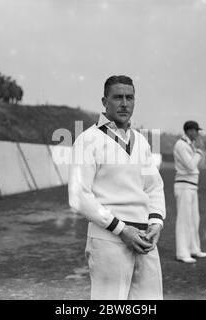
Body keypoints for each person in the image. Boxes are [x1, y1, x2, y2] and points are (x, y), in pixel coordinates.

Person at [68, 75, 166, 300]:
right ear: (104, 101)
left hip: (144, 239)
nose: (124, 103)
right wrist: (121, 229)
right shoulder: (88, 139)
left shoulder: (140, 141)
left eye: (129, 97)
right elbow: (79, 195)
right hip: (109, 239)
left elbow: (154, 187)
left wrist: (156, 222)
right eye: (118, 97)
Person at [173, 121, 206, 263]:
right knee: (184, 220)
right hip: (184, 186)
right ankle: (182, 253)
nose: (198, 133)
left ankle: (194, 249)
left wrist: (198, 151)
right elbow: (190, 166)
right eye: (196, 131)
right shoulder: (181, 145)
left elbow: (200, 164)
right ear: (189, 131)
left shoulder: (190, 145)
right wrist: (199, 151)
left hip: (192, 186)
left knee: (194, 219)